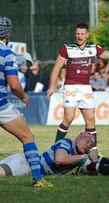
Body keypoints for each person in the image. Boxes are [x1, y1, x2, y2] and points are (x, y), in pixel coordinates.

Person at [47, 23, 109, 161]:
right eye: (77, 34)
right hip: (71, 87)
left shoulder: (92, 48)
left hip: (86, 88)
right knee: (68, 118)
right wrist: (51, 86)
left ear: (87, 35)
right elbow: (57, 67)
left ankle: (94, 156)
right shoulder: (67, 48)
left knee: (90, 121)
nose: (80, 36)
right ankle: (56, 149)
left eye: (82, 34)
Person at [0, 16, 52, 188]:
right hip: (1, 105)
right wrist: (23, 96)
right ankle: (38, 179)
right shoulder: (7, 53)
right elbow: (14, 84)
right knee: (27, 137)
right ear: (8, 33)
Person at [0, 132, 95, 177]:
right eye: (86, 141)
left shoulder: (79, 157)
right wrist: (82, 156)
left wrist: (92, 154)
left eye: (90, 145)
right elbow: (59, 160)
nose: (88, 145)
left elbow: (95, 160)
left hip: (25, 161)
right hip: (26, 165)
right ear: (78, 138)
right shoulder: (67, 142)